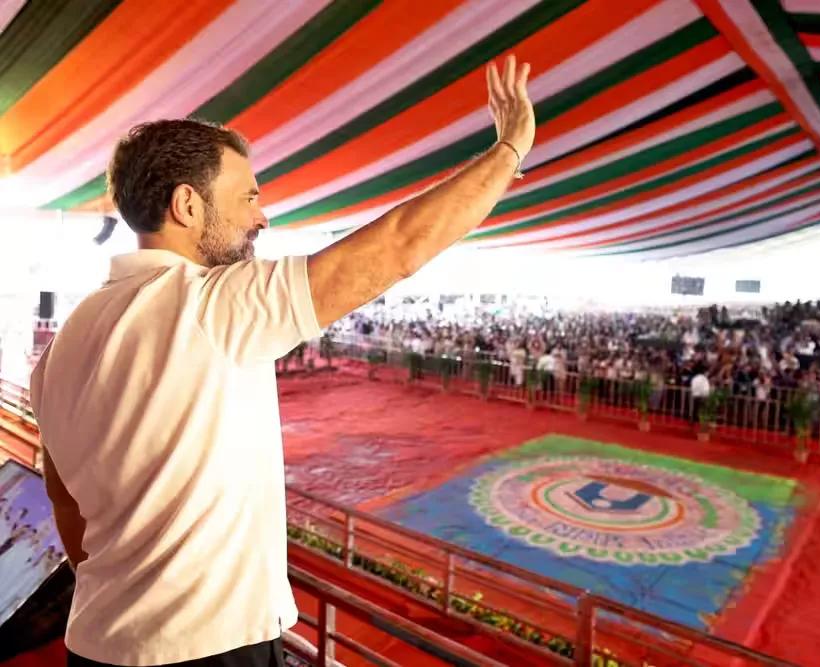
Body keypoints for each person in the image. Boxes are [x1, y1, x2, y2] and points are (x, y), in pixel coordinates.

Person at [30, 56, 536, 667]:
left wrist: (128, 600)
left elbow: (63, 500)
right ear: (188, 206)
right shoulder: (213, 305)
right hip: (210, 650)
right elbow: (400, 244)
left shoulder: (65, 341)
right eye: (248, 197)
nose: (261, 217)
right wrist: (511, 148)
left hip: (98, 644)